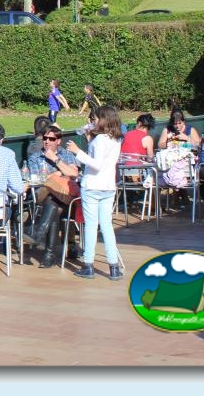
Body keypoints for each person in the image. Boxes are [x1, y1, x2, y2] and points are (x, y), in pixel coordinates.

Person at [65, 104, 123, 280]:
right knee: (106, 225)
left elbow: (96, 164)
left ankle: (88, 264)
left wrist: (77, 152)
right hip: (108, 186)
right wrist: (90, 139)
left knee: (90, 225)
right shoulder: (115, 140)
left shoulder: (100, 140)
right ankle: (113, 266)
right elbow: (102, 159)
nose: (94, 121)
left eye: (96, 118)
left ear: (102, 120)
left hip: (92, 186)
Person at [28, 125, 80, 267]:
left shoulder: (66, 154)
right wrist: (59, 173)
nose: (47, 141)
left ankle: (46, 248)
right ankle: (61, 246)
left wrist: (55, 159)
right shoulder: (35, 157)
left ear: (58, 141)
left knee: (54, 204)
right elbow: (37, 179)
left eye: (51, 138)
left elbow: (74, 173)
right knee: (52, 198)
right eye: (45, 138)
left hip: (66, 196)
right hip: (42, 194)